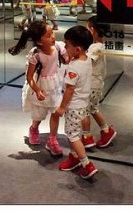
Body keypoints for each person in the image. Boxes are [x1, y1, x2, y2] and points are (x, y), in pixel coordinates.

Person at [9, 20, 68, 157]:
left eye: (52, 33)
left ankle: (52, 139)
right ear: (39, 41)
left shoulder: (58, 46)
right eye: (48, 35)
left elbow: (67, 59)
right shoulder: (35, 54)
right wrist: (36, 90)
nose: (53, 37)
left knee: (56, 112)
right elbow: (29, 76)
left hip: (55, 85)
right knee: (39, 114)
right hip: (41, 86)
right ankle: (34, 128)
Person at [54, 25, 98, 179]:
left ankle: (86, 164)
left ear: (77, 49)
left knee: (72, 135)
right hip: (83, 104)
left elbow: (69, 90)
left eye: (67, 44)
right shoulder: (87, 59)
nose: (65, 47)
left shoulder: (73, 67)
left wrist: (62, 108)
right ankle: (74, 156)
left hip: (73, 106)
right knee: (76, 131)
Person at [81, 16, 117, 149]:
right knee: (93, 109)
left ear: (92, 30)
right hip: (95, 84)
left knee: (83, 111)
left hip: (91, 85)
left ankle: (86, 137)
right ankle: (106, 131)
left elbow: (86, 62)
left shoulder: (96, 47)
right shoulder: (98, 45)